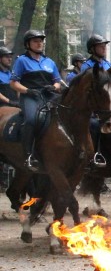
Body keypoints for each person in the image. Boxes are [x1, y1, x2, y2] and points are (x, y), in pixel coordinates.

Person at [10, 30, 63, 171]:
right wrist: (27, 90)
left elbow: (58, 82)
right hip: (30, 96)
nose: (39, 43)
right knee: (32, 119)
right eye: (35, 41)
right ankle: (28, 155)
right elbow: (14, 83)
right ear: (28, 44)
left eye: (41, 41)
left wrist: (52, 87)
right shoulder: (22, 60)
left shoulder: (49, 62)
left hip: (48, 95)